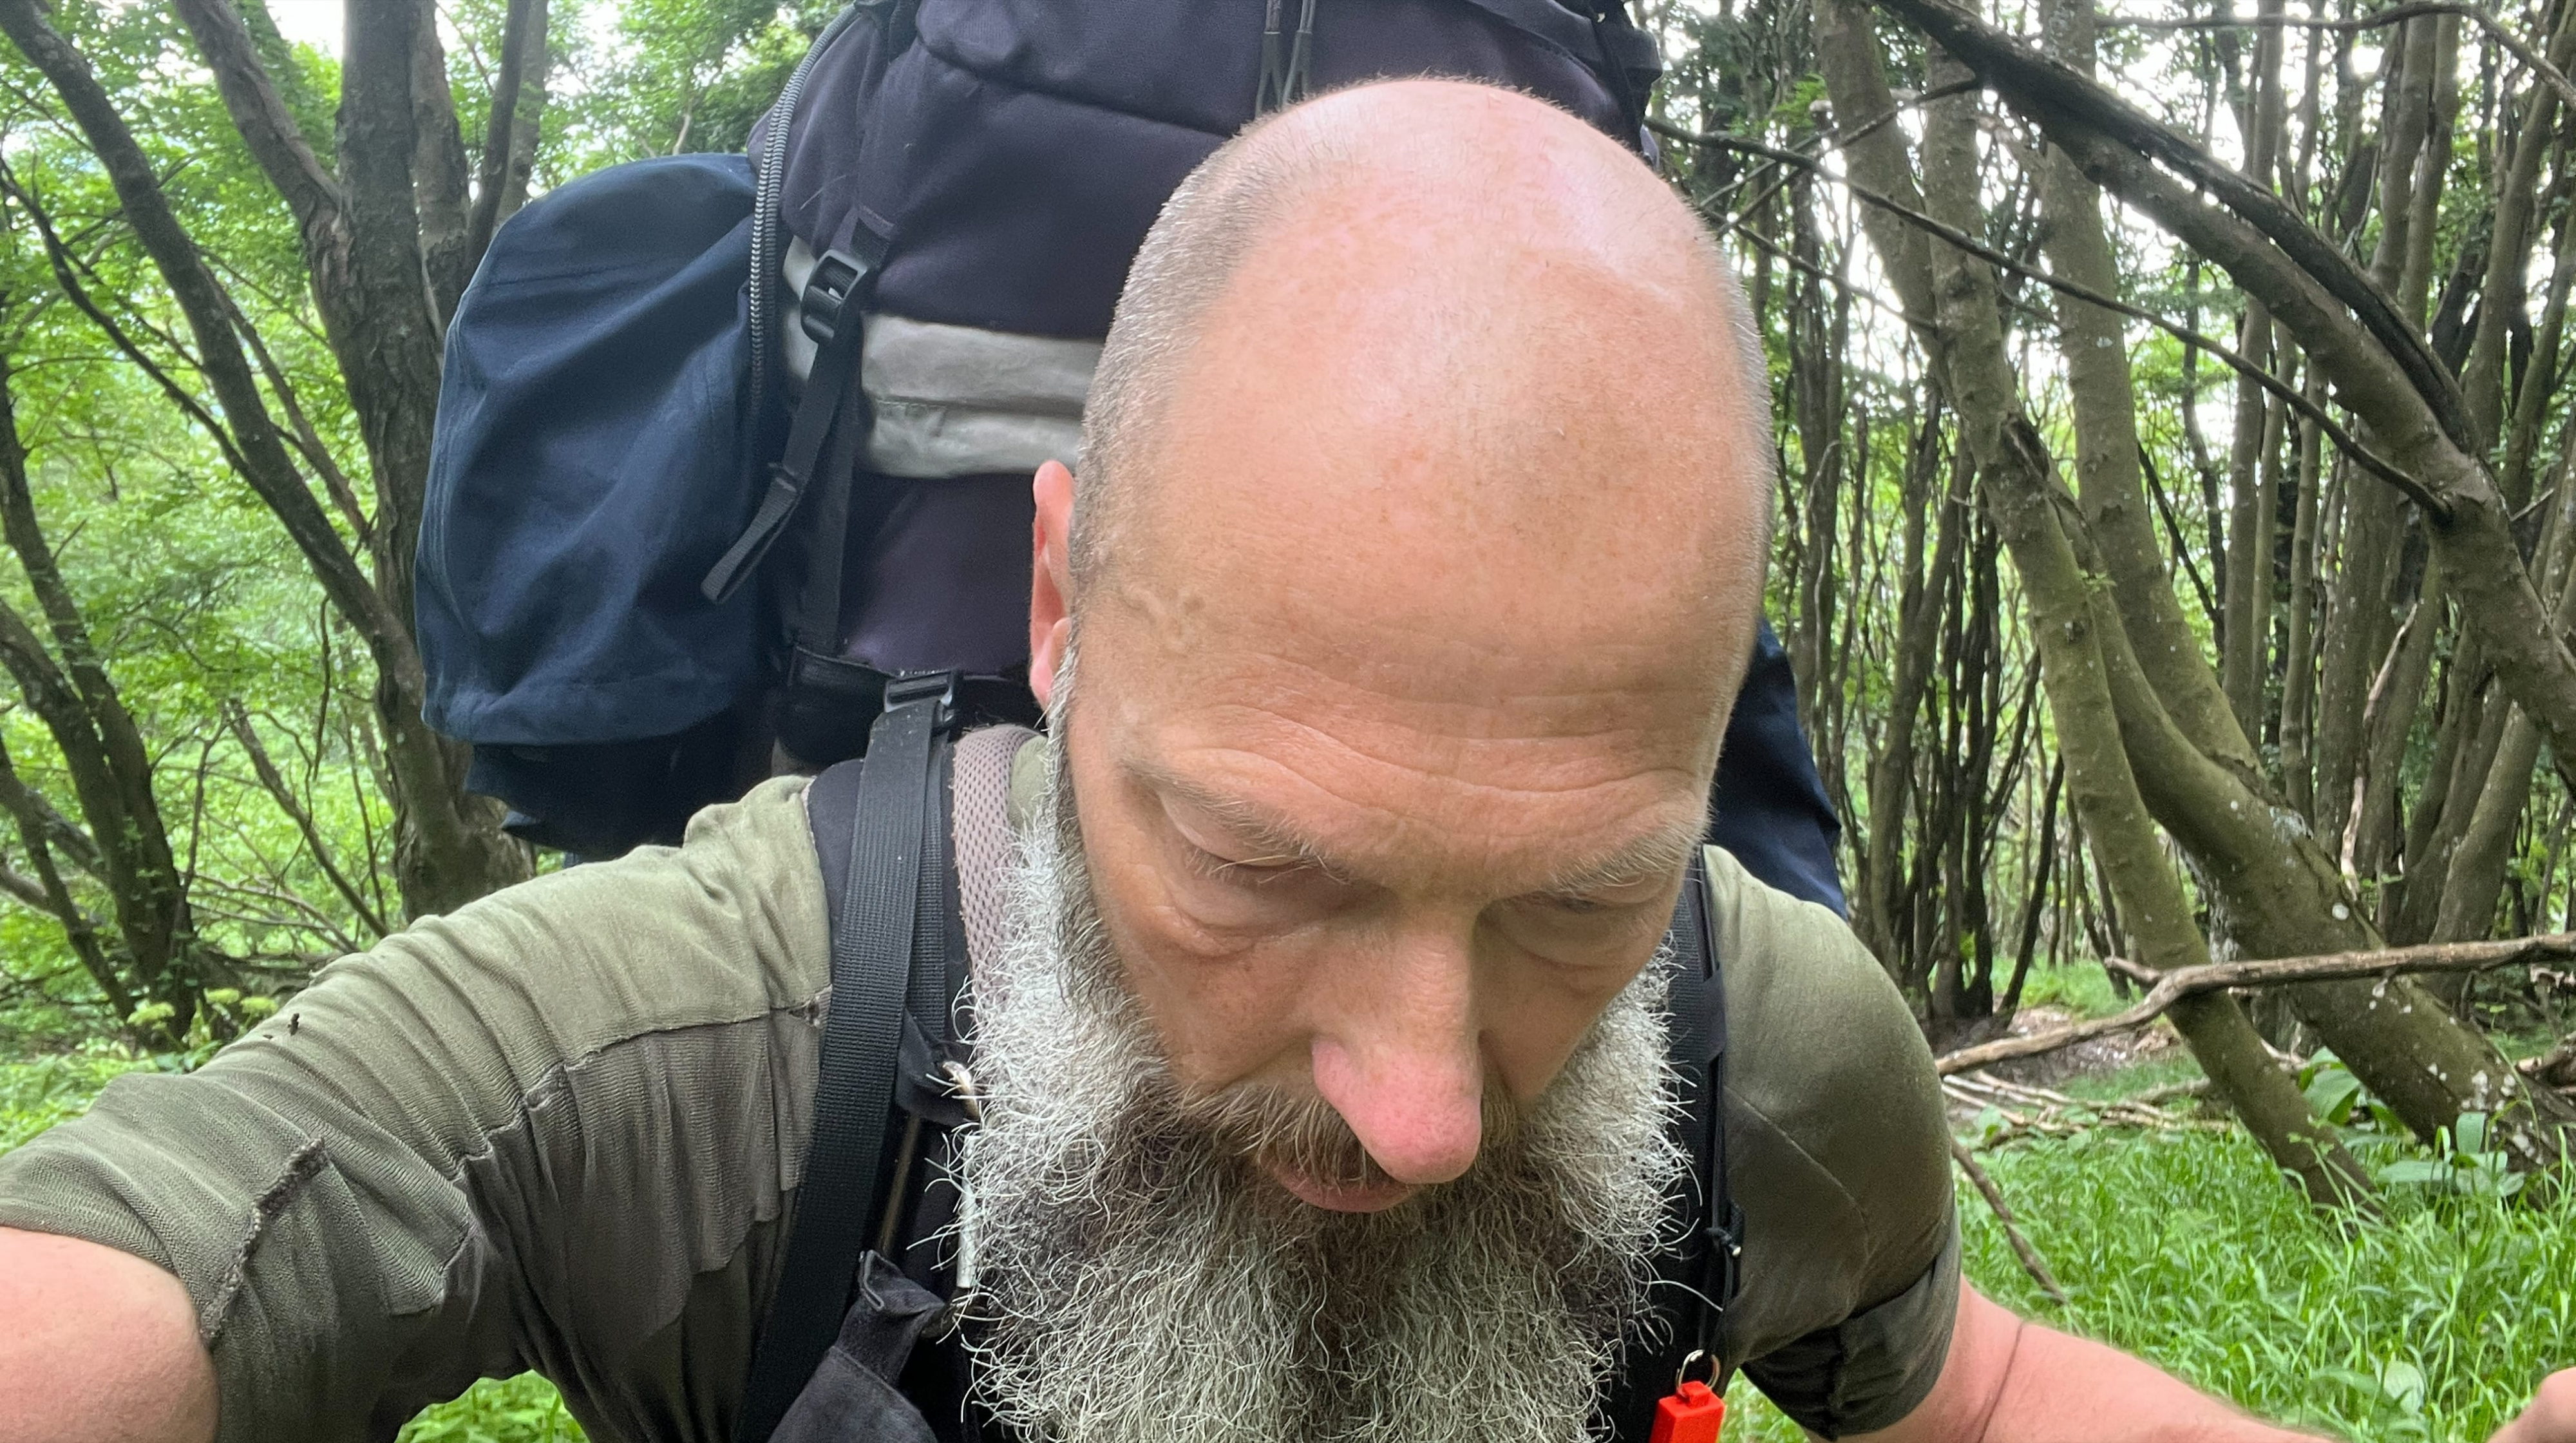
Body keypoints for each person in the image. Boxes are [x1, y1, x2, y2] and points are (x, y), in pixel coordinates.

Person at [1, 77, 2569, 1443]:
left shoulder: (1768, 1039)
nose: (1425, 1106)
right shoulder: (700, 1044)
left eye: (1576, 900)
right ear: (1061, 608)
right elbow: (146, 1271)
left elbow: (1962, 1386)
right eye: (1258, 864)